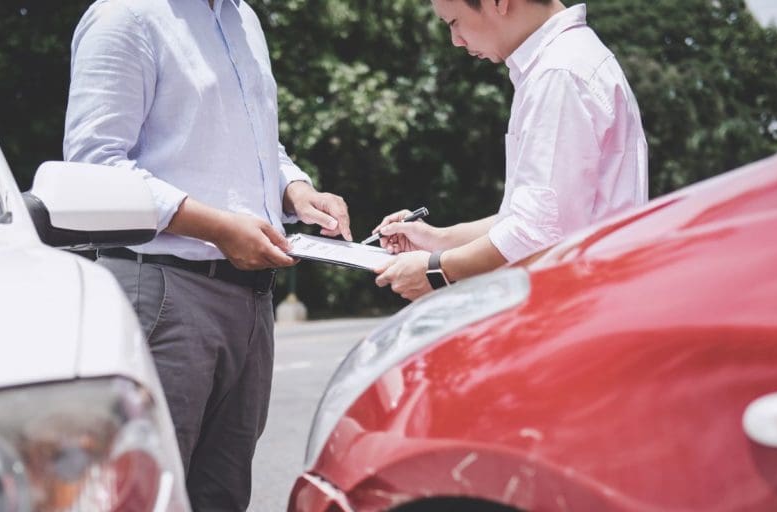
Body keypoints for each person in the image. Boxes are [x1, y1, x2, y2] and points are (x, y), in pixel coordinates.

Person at [63, 0, 351, 510]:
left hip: (250, 302)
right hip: (164, 293)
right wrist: (217, 227)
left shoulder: (244, 19)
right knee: (147, 493)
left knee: (222, 496)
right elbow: (94, 164)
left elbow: (255, 144)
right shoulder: (126, 16)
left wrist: (296, 190)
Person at [374, 0, 647, 300]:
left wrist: (437, 269)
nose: (456, 41)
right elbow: (538, 218)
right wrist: (439, 239)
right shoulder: (562, 62)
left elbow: (536, 233)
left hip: (584, 303)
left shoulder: (558, 74)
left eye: (454, 22)